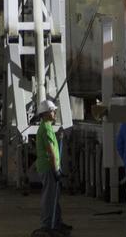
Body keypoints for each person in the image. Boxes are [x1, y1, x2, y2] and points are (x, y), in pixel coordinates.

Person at [35, 99, 72, 236]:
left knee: (54, 196)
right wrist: (56, 169)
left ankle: (56, 222)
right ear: (45, 113)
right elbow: (50, 152)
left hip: (50, 167)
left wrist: (58, 136)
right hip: (48, 168)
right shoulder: (45, 128)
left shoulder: (47, 127)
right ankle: (47, 224)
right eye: (52, 110)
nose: (55, 112)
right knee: (49, 197)